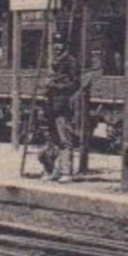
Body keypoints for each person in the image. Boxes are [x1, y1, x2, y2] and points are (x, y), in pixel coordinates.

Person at [42, 39, 80, 181]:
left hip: (62, 105)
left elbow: (75, 84)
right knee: (53, 139)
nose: (57, 47)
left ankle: (66, 172)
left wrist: (56, 86)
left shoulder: (70, 61)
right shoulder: (55, 62)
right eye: (55, 44)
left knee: (64, 139)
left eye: (60, 43)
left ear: (65, 45)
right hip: (51, 105)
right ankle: (54, 170)